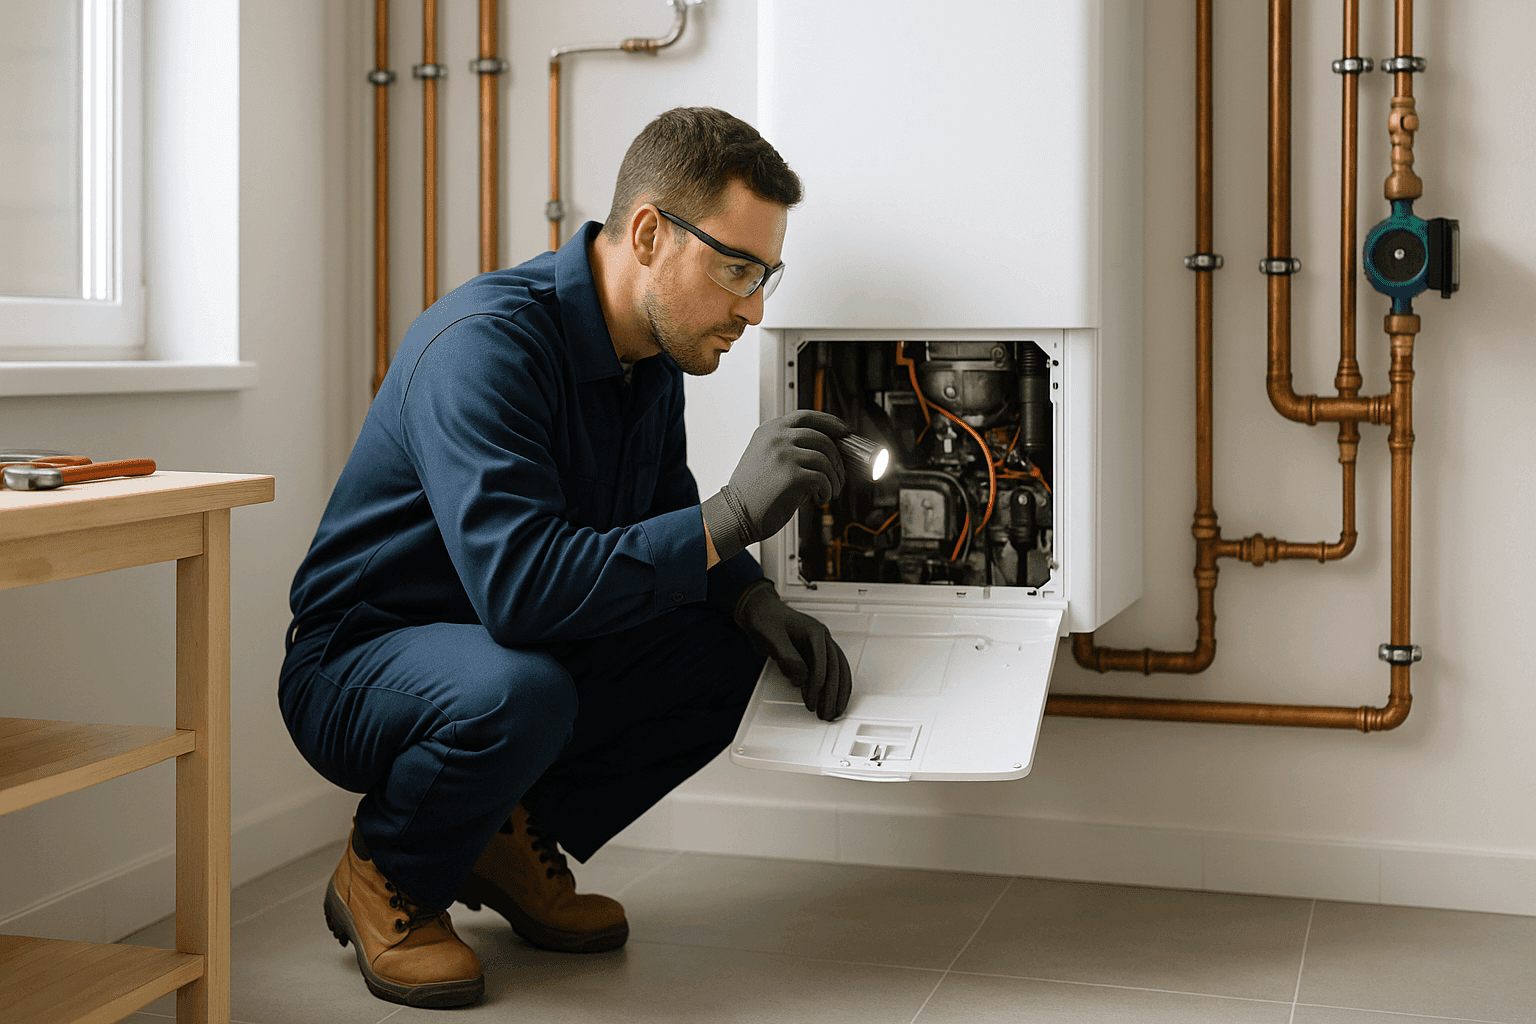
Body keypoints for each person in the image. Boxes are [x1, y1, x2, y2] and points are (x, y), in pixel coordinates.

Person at [278, 106, 854, 1008]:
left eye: (767, 275)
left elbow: (664, 512)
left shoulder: (652, 363)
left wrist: (751, 602)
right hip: (362, 660)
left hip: (505, 651)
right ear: (650, 233)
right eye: (735, 268)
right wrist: (737, 513)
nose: (752, 307)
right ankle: (386, 869)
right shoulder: (485, 347)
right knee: (520, 690)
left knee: (727, 647)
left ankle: (503, 834)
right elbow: (521, 593)